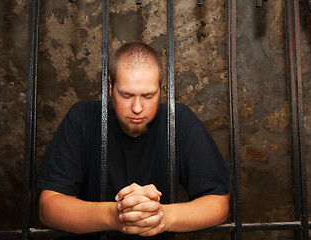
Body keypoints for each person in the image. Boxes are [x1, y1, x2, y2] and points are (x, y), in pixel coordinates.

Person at [36, 41, 230, 239]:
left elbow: (219, 204)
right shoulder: (82, 118)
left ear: (161, 90)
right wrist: (116, 215)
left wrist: (161, 216)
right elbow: (48, 207)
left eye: (148, 96)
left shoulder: (178, 121)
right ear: (111, 87)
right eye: (126, 95)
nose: (137, 108)